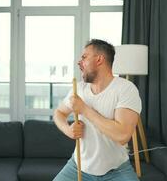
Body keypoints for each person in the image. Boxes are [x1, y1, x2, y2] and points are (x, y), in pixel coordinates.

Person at [53, 39, 141, 181]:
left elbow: (122, 135)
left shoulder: (125, 89)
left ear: (99, 59)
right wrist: (67, 130)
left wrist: (84, 109)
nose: (79, 62)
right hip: (78, 168)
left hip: (117, 171)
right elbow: (59, 113)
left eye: (84, 57)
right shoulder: (79, 89)